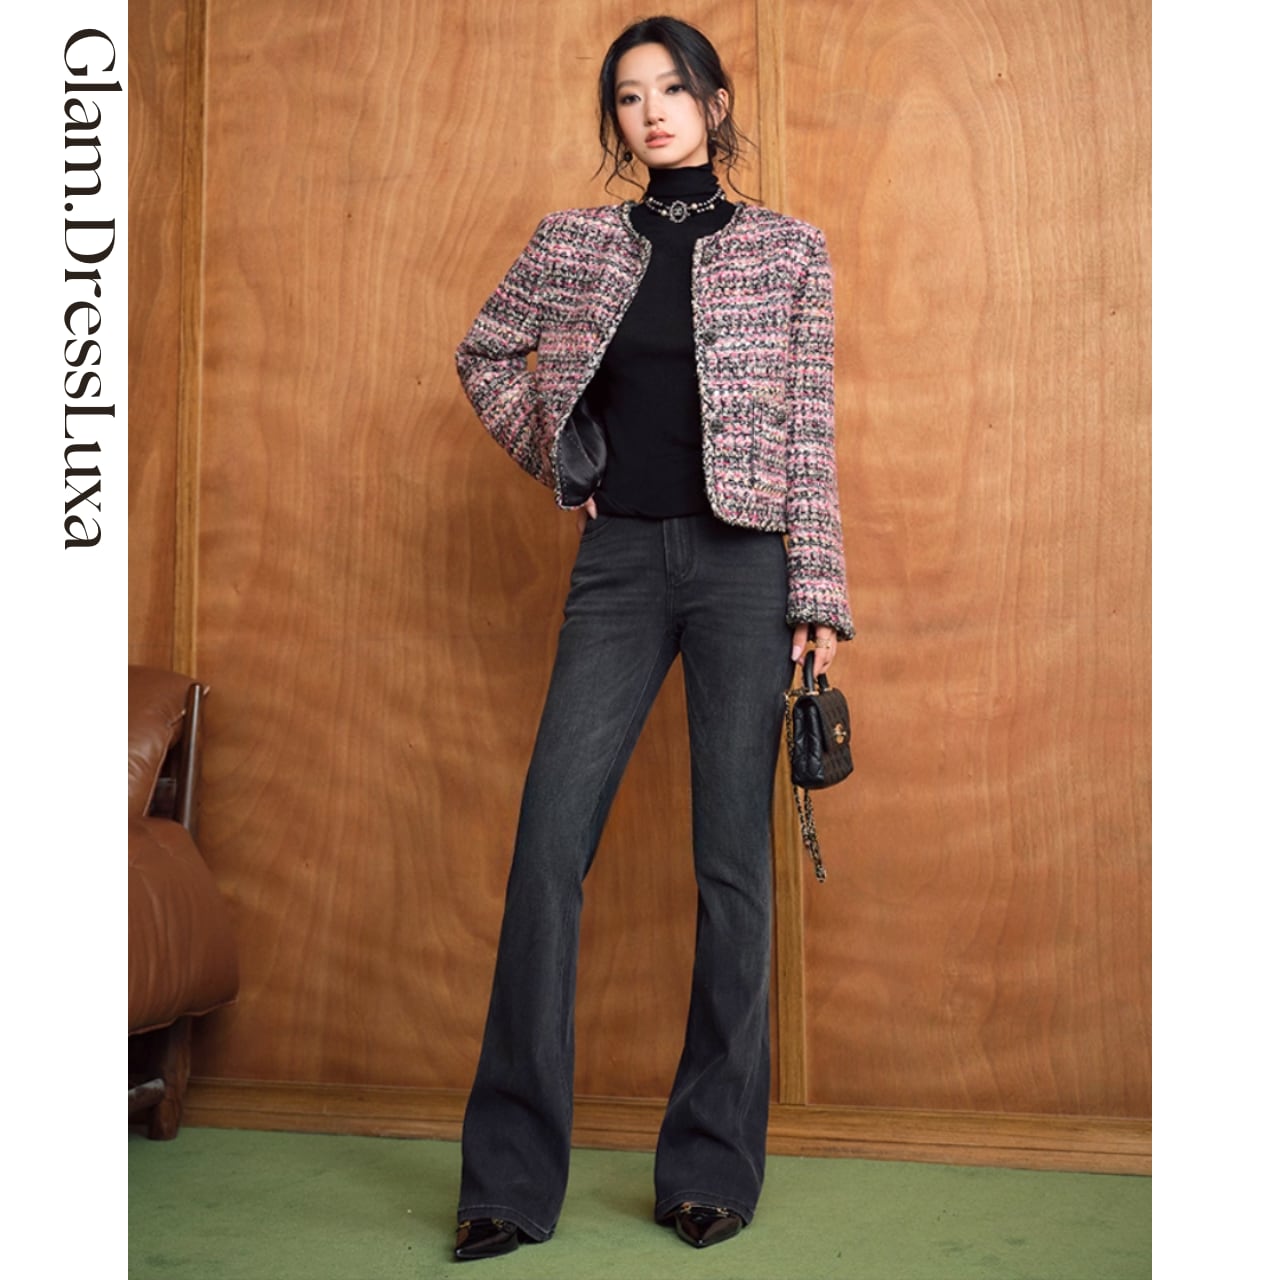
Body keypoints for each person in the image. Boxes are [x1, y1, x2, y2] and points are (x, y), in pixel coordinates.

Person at [450, 13, 854, 1263]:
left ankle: (710, 1167)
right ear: (614, 121)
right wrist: (560, 453)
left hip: (745, 567)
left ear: (714, 105)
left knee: (731, 867)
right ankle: (507, 1182)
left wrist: (816, 592)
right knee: (546, 847)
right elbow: (484, 353)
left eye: (672, 89)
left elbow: (806, 431)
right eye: (628, 97)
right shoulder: (569, 244)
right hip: (619, 563)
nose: (652, 112)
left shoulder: (789, 249)